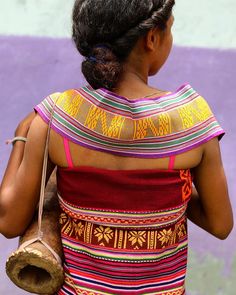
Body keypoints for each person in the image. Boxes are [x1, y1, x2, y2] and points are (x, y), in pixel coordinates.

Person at [0, 0, 233, 294]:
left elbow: (9, 221)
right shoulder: (193, 118)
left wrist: (23, 134)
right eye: (170, 29)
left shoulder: (57, 116)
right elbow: (220, 223)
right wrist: (175, 189)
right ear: (152, 38)